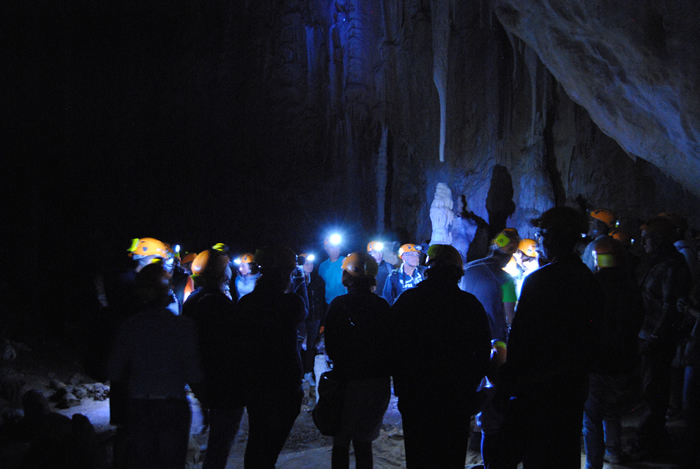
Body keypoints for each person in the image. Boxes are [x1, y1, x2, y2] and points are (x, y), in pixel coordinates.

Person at [492, 206, 603, 468]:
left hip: (536, 388)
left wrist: (506, 385)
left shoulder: (540, 281)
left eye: (543, 234)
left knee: (520, 455)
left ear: (551, 237)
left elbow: (520, 339)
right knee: (562, 453)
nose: (541, 240)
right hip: (571, 386)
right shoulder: (588, 280)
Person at [392, 244, 491, 468]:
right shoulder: (470, 305)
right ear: (458, 271)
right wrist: (471, 387)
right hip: (455, 398)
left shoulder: (408, 301)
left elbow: (392, 345)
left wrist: (402, 386)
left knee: (419, 455)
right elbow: (483, 352)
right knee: (451, 456)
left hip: (416, 396)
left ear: (429, 267)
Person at [106, 262, 204, 469]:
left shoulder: (129, 327)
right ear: (166, 292)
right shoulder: (183, 326)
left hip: (138, 408)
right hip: (172, 407)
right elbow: (194, 374)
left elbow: (114, 372)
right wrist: (204, 406)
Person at [236, 245, 307, 468]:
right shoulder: (292, 303)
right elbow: (303, 310)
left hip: (256, 382)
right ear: (286, 273)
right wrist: (298, 282)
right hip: (284, 383)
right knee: (269, 446)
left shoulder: (246, 304)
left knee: (258, 440)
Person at [630, 216, 692, 458]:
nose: (642, 244)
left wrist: (654, 338)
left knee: (653, 390)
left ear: (658, 240)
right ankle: (654, 435)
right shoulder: (660, 262)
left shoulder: (671, 267)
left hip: (656, 338)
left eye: (646, 239)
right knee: (653, 388)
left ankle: (649, 441)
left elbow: (669, 307)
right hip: (650, 334)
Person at [324, 252, 392, 469]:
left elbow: (332, 348)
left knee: (341, 443)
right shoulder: (382, 305)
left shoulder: (339, 304)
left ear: (346, 276)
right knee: (364, 443)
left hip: (347, 381)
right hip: (377, 382)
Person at [582, 236, 644, 468]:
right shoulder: (630, 286)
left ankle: (593, 463)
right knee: (612, 410)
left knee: (592, 417)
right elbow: (638, 319)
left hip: (597, 362)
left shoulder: (591, 285)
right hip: (623, 361)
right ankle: (614, 452)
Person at [182, 249, 243, 469]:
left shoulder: (192, 301)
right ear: (221, 274)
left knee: (217, 442)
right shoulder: (220, 304)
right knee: (220, 445)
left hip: (204, 382)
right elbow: (232, 347)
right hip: (225, 386)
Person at [460, 228, 520, 341]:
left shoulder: (468, 268)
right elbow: (510, 317)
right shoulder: (506, 279)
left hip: (465, 329)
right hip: (492, 336)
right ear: (509, 255)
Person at [299, 252, 327, 388]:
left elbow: (321, 301)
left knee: (310, 346)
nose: (309, 266)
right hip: (300, 319)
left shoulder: (318, 280)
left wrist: (322, 321)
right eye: (306, 263)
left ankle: (308, 373)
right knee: (298, 346)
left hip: (314, 318)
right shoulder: (295, 280)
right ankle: (299, 374)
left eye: (311, 263)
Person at [319, 235, 347, 305]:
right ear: (326, 248)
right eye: (332, 247)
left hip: (345, 302)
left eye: (337, 246)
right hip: (329, 303)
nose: (335, 250)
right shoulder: (323, 266)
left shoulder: (346, 261)